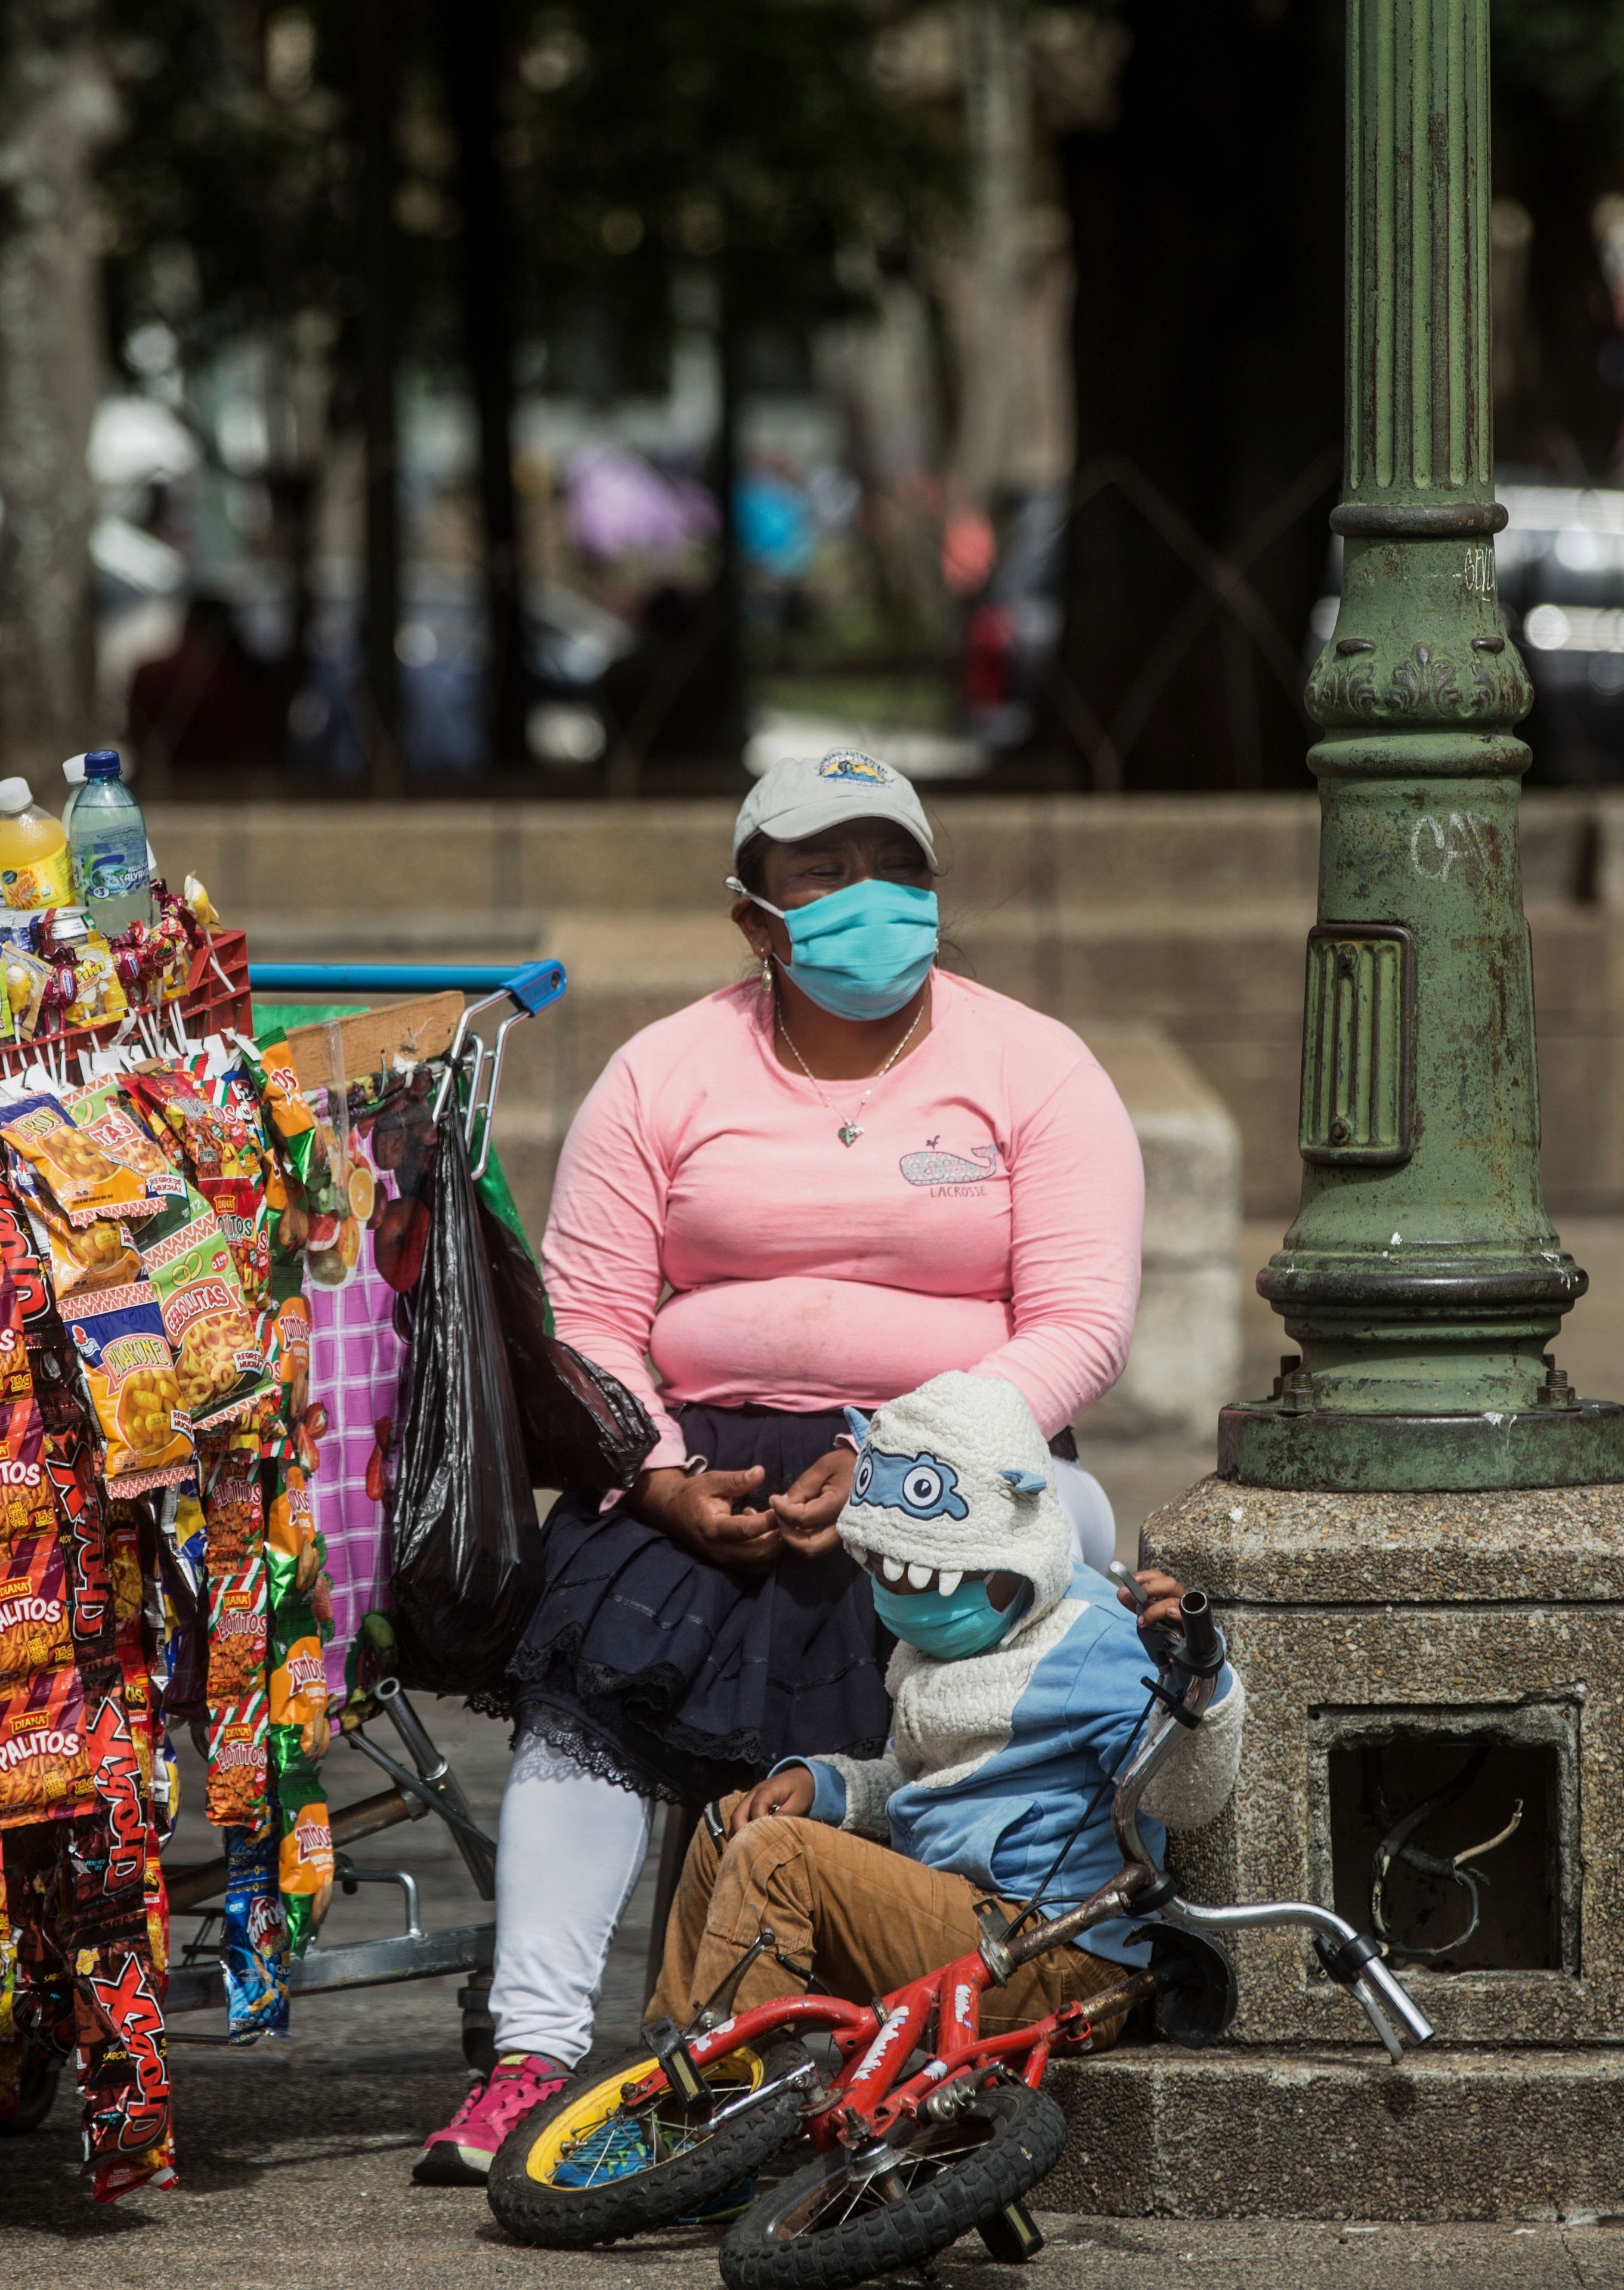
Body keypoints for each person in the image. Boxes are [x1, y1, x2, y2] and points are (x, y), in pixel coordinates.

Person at [412, 749, 1146, 2183]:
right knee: (587, 1690)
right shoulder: (664, 1069)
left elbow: (1077, 1322)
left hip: (951, 1446)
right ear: (752, 914)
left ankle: (979, 1980)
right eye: (822, 871)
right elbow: (590, 1320)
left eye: (896, 866)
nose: (866, 898)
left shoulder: (1032, 1064)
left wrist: (896, 1458)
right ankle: (529, 2051)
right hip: (703, 1457)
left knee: (1064, 1540)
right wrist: (660, 1472)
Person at [644, 1373, 1241, 2046]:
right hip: (955, 1920)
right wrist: (830, 1787)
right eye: (886, 1573)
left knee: (780, 1857)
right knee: (732, 1822)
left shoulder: (1095, 1639)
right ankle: (667, 2074)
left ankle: (726, 2089)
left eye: (919, 1577)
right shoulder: (948, 1640)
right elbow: (929, 1780)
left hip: (1052, 1956)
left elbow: (1186, 1797)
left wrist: (1199, 1680)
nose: (900, 1595)